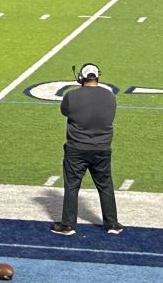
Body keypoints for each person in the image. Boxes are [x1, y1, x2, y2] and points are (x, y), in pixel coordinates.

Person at [50, 63, 123, 236]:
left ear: (81, 78)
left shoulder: (72, 96)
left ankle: (68, 225)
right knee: (105, 185)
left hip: (77, 148)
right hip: (102, 148)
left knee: (72, 186)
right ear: (97, 77)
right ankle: (112, 223)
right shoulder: (109, 96)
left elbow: (65, 111)